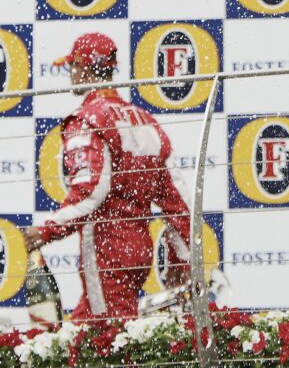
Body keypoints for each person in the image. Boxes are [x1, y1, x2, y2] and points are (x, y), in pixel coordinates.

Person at [23, 33, 192, 321]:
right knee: (84, 328)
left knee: (108, 337)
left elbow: (91, 193)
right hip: (138, 248)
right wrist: (180, 260)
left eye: (73, 66)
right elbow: (178, 203)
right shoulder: (144, 119)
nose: (71, 74)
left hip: (106, 248)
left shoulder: (88, 119)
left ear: (87, 69)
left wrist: (45, 231)